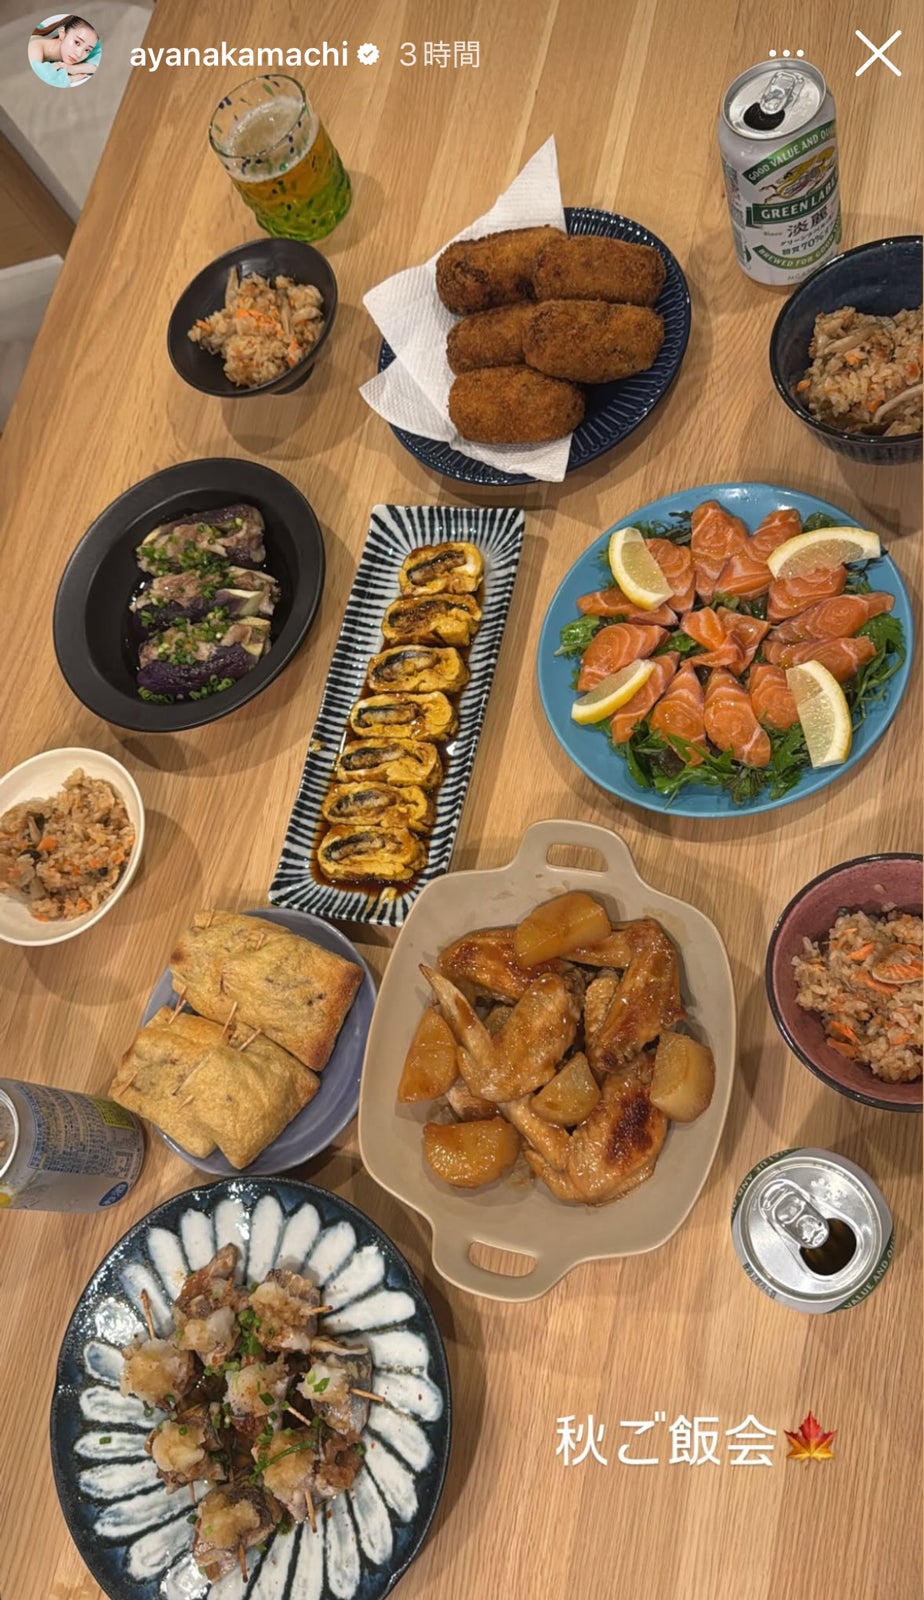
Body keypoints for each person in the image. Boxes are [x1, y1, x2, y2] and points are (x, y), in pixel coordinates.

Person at [28, 14, 100, 87]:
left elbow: (96, 64)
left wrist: (73, 69)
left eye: (87, 50)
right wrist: (70, 79)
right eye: (77, 42)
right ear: (62, 34)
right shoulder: (33, 48)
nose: (79, 54)